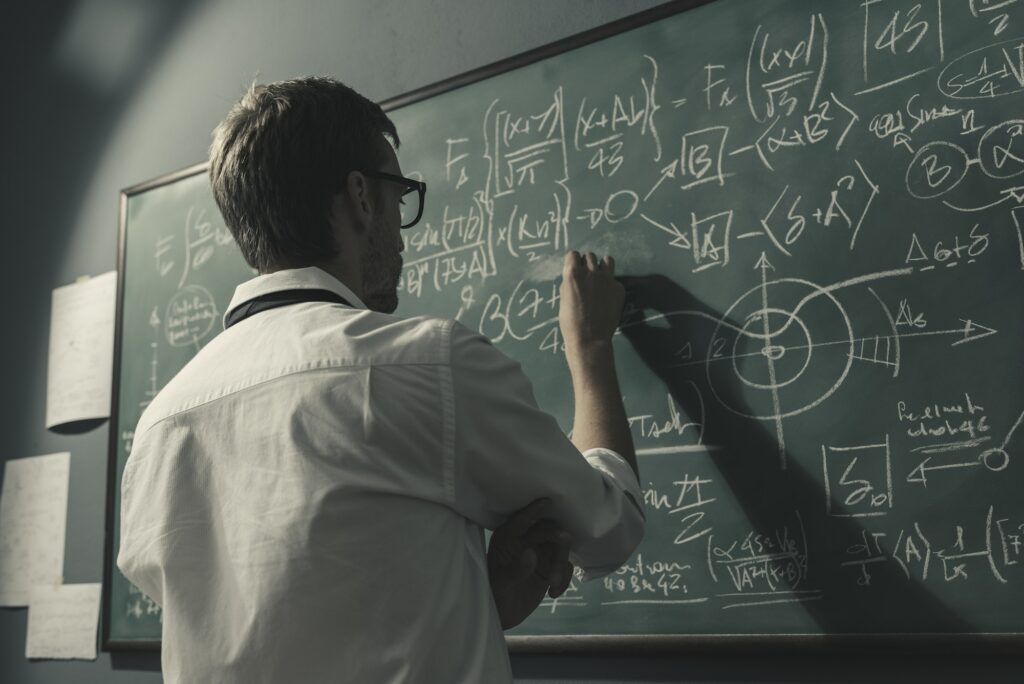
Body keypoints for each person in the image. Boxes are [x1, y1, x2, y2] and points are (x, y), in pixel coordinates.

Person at [117, 76, 644, 683]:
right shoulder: (425, 365)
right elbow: (610, 528)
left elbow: (282, 632)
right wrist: (593, 348)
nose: (399, 229)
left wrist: (476, 598)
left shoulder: (159, 426)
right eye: (398, 197)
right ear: (362, 197)